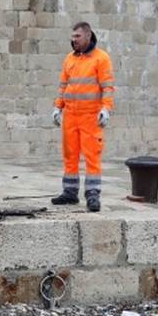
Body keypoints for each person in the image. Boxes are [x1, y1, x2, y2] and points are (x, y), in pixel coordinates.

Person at [51, 21, 115, 212]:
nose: (74, 40)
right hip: (70, 115)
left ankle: (93, 195)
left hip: (90, 117)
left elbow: (107, 87)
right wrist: (57, 107)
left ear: (88, 36)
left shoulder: (101, 59)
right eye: (72, 37)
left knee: (91, 156)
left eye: (77, 36)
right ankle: (70, 193)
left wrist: (106, 109)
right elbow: (63, 86)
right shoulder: (69, 59)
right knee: (70, 155)